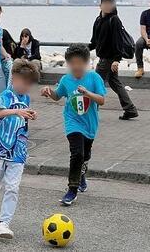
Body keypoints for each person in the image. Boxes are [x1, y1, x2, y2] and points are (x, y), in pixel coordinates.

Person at [0, 59, 40, 239]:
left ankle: (3, 224)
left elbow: (23, 115)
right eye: (24, 82)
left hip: (18, 149)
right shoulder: (6, 95)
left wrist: (30, 114)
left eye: (30, 84)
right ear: (14, 78)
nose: (26, 87)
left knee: (13, 187)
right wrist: (16, 112)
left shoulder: (26, 98)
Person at [40, 44, 106, 206]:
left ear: (86, 63)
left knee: (85, 155)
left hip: (90, 124)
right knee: (77, 153)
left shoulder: (94, 78)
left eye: (80, 63)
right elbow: (58, 96)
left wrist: (87, 93)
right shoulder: (66, 80)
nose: (76, 67)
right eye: (72, 63)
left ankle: (81, 174)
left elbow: (102, 100)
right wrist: (49, 92)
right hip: (72, 122)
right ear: (68, 64)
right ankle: (72, 189)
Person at [89, 0, 138, 121]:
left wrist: (117, 59)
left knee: (95, 84)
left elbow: (118, 41)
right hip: (104, 58)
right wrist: (81, 50)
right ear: (100, 6)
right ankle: (130, 109)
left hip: (109, 59)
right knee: (115, 83)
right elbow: (94, 42)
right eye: (105, 4)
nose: (107, 6)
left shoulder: (114, 20)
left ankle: (91, 113)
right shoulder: (98, 20)